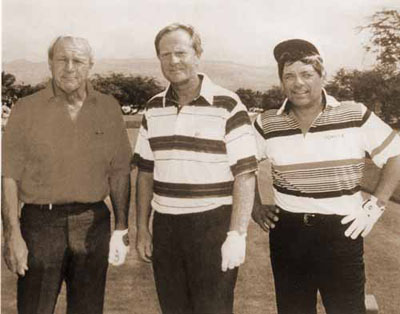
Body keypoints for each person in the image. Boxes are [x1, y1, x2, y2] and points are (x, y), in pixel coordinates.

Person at [252, 38, 400, 314]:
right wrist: (255, 207)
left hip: (341, 231)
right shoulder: (266, 122)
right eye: (289, 76)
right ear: (282, 81)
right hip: (289, 233)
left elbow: (395, 155)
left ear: (323, 76)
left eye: (307, 74)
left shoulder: (354, 114)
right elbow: (242, 166)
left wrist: (375, 206)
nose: (298, 83)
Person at [132, 23, 258, 314]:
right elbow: (145, 172)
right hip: (166, 226)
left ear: (198, 54)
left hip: (212, 224)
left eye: (181, 52)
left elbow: (245, 173)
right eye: (165, 54)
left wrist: (237, 234)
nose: (173, 61)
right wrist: (142, 229)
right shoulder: (153, 107)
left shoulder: (229, 104)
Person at [2, 36, 132, 314]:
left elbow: (120, 171)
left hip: (93, 223)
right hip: (40, 225)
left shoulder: (108, 108)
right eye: (62, 59)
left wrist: (121, 228)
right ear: (50, 63)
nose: (69, 67)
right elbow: (9, 176)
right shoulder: (25, 109)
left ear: (90, 66)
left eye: (78, 61)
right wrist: (12, 235)